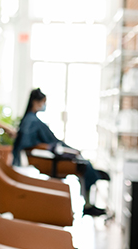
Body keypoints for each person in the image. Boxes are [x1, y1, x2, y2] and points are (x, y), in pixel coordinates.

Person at [12, 88, 109, 216]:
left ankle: (89, 199)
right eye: (43, 102)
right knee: (85, 166)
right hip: (50, 159)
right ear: (36, 102)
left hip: (52, 153)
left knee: (85, 163)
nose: (44, 106)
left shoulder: (31, 119)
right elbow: (32, 145)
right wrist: (61, 149)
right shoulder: (32, 121)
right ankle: (88, 204)